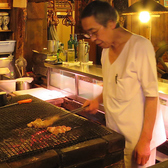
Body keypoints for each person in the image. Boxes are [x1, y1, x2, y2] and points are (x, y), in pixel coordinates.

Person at [81, 1, 166, 168]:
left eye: (94, 32)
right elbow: (112, 86)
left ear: (111, 23)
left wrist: (145, 141)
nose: (92, 39)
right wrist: (97, 100)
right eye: (88, 34)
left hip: (138, 141)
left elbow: (152, 97)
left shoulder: (140, 47)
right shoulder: (105, 51)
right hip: (115, 136)